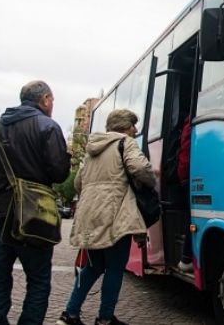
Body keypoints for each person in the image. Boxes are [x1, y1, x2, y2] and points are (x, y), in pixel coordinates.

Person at [0, 80, 71, 325]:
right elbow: (59, 173)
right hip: (34, 215)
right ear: (45, 99)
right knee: (38, 280)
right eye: (52, 100)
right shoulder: (48, 127)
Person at [57, 109, 156, 325]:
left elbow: (78, 183)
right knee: (114, 268)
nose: (135, 130)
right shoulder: (126, 143)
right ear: (125, 127)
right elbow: (140, 167)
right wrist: (151, 182)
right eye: (133, 125)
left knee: (93, 267)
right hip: (115, 214)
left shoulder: (92, 149)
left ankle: (70, 314)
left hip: (91, 215)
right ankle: (104, 319)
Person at [176, 116, 193, 273]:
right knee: (193, 216)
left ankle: (187, 258)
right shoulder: (193, 121)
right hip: (189, 173)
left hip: (186, 173)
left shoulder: (189, 121)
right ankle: (186, 258)